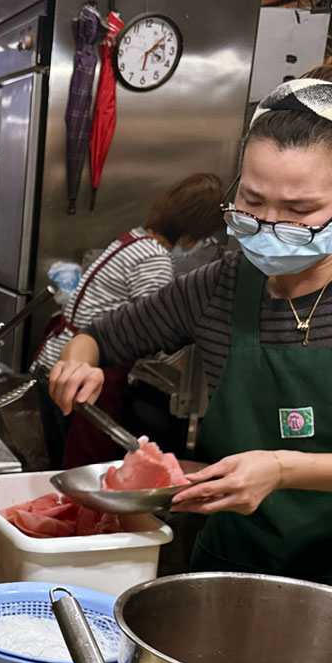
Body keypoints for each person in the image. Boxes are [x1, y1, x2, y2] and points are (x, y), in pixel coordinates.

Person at [49, 59, 332, 599]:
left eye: (299, 210)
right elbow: (102, 336)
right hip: (238, 573)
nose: (269, 225)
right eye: (251, 201)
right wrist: (77, 360)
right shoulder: (225, 283)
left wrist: (281, 468)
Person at [33, 173, 225, 468]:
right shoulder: (154, 259)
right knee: (82, 469)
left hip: (58, 365)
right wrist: (199, 370)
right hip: (86, 376)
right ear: (192, 233)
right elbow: (159, 330)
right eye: (204, 237)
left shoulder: (134, 239)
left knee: (59, 466)